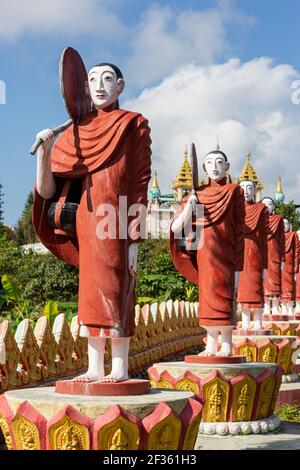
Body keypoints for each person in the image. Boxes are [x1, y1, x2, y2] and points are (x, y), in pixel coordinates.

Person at [33, 63, 152, 382]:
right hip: (87, 220)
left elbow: (140, 183)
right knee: (90, 292)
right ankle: (94, 367)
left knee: (119, 289)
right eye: (93, 80)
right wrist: (45, 152)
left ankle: (121, 369)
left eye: (108, 79)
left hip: (118, 218)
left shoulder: (133, 124)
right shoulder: (76, 131)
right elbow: (48, 191)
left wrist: (134, 241)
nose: (100, 86)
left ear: (121, 86)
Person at [170, 149, 245, 357]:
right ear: (203, 168)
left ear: (227, 167)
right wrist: (188, 208)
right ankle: (211, 345)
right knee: (208, 297)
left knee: (226, 297)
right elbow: (176, 228)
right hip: (204, 254)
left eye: (220, 162)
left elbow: (240, 231)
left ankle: (227, 344)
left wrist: (239, 267)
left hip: (227, 255)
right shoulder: (197, 194)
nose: (214, 167)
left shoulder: (234, 192)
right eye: (210, 163)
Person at [237, 180, 268, 330]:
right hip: (239, 253)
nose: (246, 191)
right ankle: (245, 321)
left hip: (255, 254)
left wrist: (266, 265)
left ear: (255, 191)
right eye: (243, 188)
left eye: (250, 188)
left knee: (255, 287)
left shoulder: (261, 209)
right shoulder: (234, 209)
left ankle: (258, 322)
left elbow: (264, 238)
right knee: (242, 290)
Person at [261, 197, 285, 316]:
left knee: (275, 282)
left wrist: (282, 259)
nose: (267, 207)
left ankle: (275, 307)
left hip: (274, 255)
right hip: (263, 255)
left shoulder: (278, 219)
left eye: (270, 204)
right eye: (264, 204)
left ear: (274, 206)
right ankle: (266, 307)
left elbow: (281, 240)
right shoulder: (258, 219)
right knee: (264, 282)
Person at [281, 219, 299, 316]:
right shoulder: (279, 236)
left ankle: (291, 308)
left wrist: (296, 268)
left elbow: (296, 252)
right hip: (281, 265)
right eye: (283, 224)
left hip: (290, 265)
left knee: (290, 287)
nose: (285, 225)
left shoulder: (293, 235)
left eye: (286, 223)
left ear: (290, 225)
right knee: (282, 287)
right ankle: (283, 309)